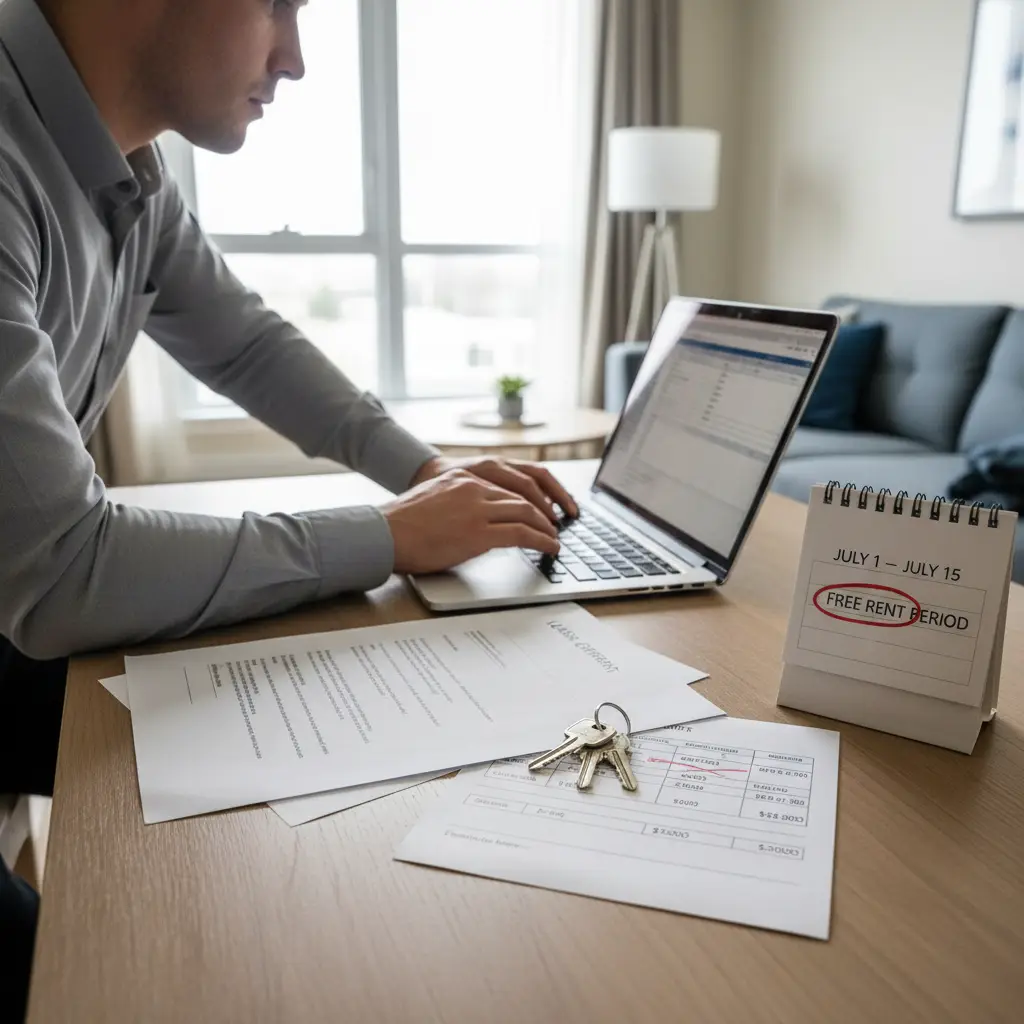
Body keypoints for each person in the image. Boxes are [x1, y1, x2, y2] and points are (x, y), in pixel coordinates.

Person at [0, 0, 575, 1017]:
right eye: (280, 4)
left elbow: (247, 344)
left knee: (277, 754)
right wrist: (392, 535)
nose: (297, 59)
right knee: (111, 984)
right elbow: (60, 570)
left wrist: (435, 476)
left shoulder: (128, 174)